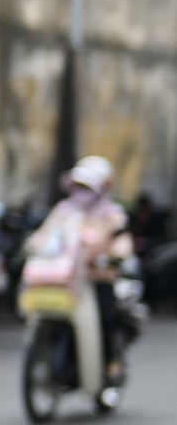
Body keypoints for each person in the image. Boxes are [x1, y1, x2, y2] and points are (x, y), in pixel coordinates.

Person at [26, 155, 134, 382]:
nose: (82, 191)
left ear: (103, 187)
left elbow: (122, 243)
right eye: (80, 185)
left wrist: (114, 256)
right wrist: (32, 246)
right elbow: (43, 236)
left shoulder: (111, 214)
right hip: (63, 279)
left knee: (105, 315)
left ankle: (109, 363)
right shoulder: (64, 210)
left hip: (96, 279)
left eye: (88, 186)